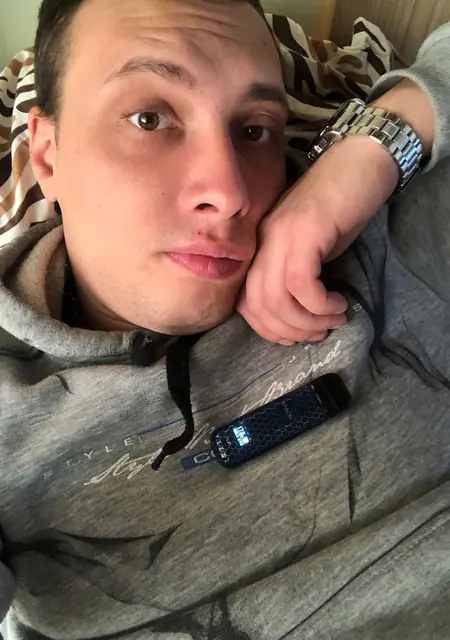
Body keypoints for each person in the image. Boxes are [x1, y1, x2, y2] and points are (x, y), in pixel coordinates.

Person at [0, 0, 449, 637]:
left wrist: (375, 149)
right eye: (149, 118)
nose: (231, 191)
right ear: (46, 157)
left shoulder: (370, 234)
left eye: (254, 129)